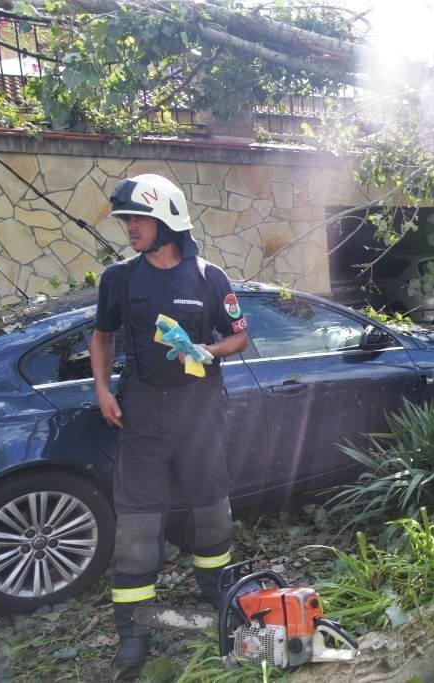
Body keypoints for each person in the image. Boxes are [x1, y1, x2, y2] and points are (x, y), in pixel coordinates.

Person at [89, 174, 250, 673]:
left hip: (201, 407)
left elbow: (240, 337)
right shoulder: (120, 278)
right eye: (128, 220)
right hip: (143, 411)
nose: (130, 228)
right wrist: (100, 389)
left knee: (211, 504)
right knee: (137, 519)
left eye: (138, 219)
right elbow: (102, 337)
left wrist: (209, 348)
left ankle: (217, 591)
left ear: (169, 223)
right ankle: (133, 631)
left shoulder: (209, 277)